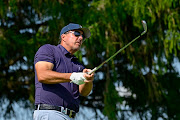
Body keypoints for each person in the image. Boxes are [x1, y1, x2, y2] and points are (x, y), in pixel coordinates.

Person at [33, 23, 94, 120]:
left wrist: (88, 79)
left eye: (83, 36)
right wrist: (73, 76)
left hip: (69, 116)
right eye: (77, 34)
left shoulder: (78, 65)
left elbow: (84, 92)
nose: (81, 38)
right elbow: (43, 75)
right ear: (63, 36)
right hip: (51, 113)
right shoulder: (49, 50)